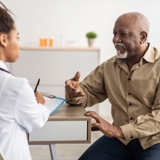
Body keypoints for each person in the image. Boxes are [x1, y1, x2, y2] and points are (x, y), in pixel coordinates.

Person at [65, 12, 160, 160]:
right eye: (114, 33)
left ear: (143, 37)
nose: (115, 39)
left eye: (123, 34)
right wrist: (74, 93)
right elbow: (87, 93)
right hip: (120, 140)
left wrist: (117, 131)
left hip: (154, 140)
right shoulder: (109, 67)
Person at [0, 2, 50, 160]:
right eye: (17, 37)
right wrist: (41, 105)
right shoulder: (16, 86)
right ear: (3, 39)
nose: (19, 45)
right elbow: (34, 122)